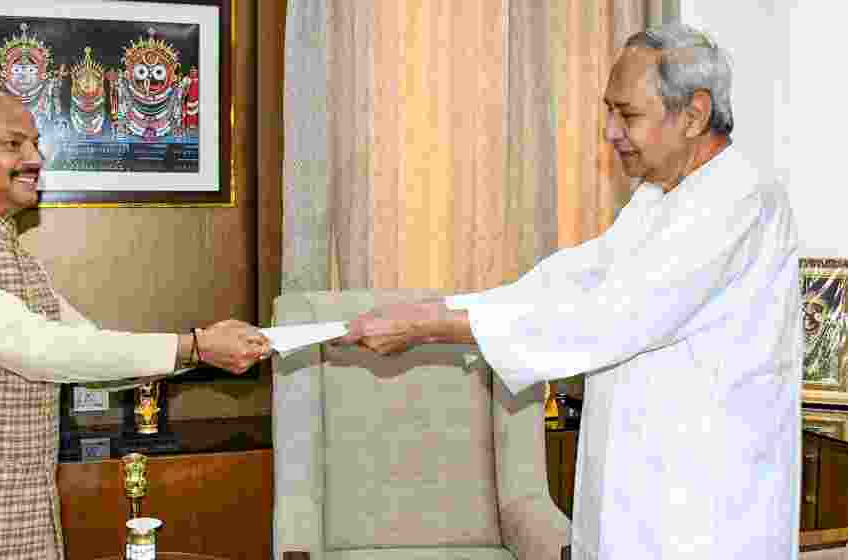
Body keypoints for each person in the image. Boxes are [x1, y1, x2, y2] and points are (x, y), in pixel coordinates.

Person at [338, 24, 800, 560]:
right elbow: (570, 280)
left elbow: (608, 317)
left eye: (627, 115)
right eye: (609, 111)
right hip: (638, 503)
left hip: (706, 517)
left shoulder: (740, 200)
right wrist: (439, 310)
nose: (609, 131)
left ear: (694, 115)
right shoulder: (659, 198)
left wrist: (435, 325)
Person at [0, 83, 272, 560]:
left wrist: (206, 349)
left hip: (15, 517)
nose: (35, 158)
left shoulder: (16, 258)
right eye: (14, 144)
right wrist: (194, 345)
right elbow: (41, 350)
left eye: (36, 144)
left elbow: (86, 349)